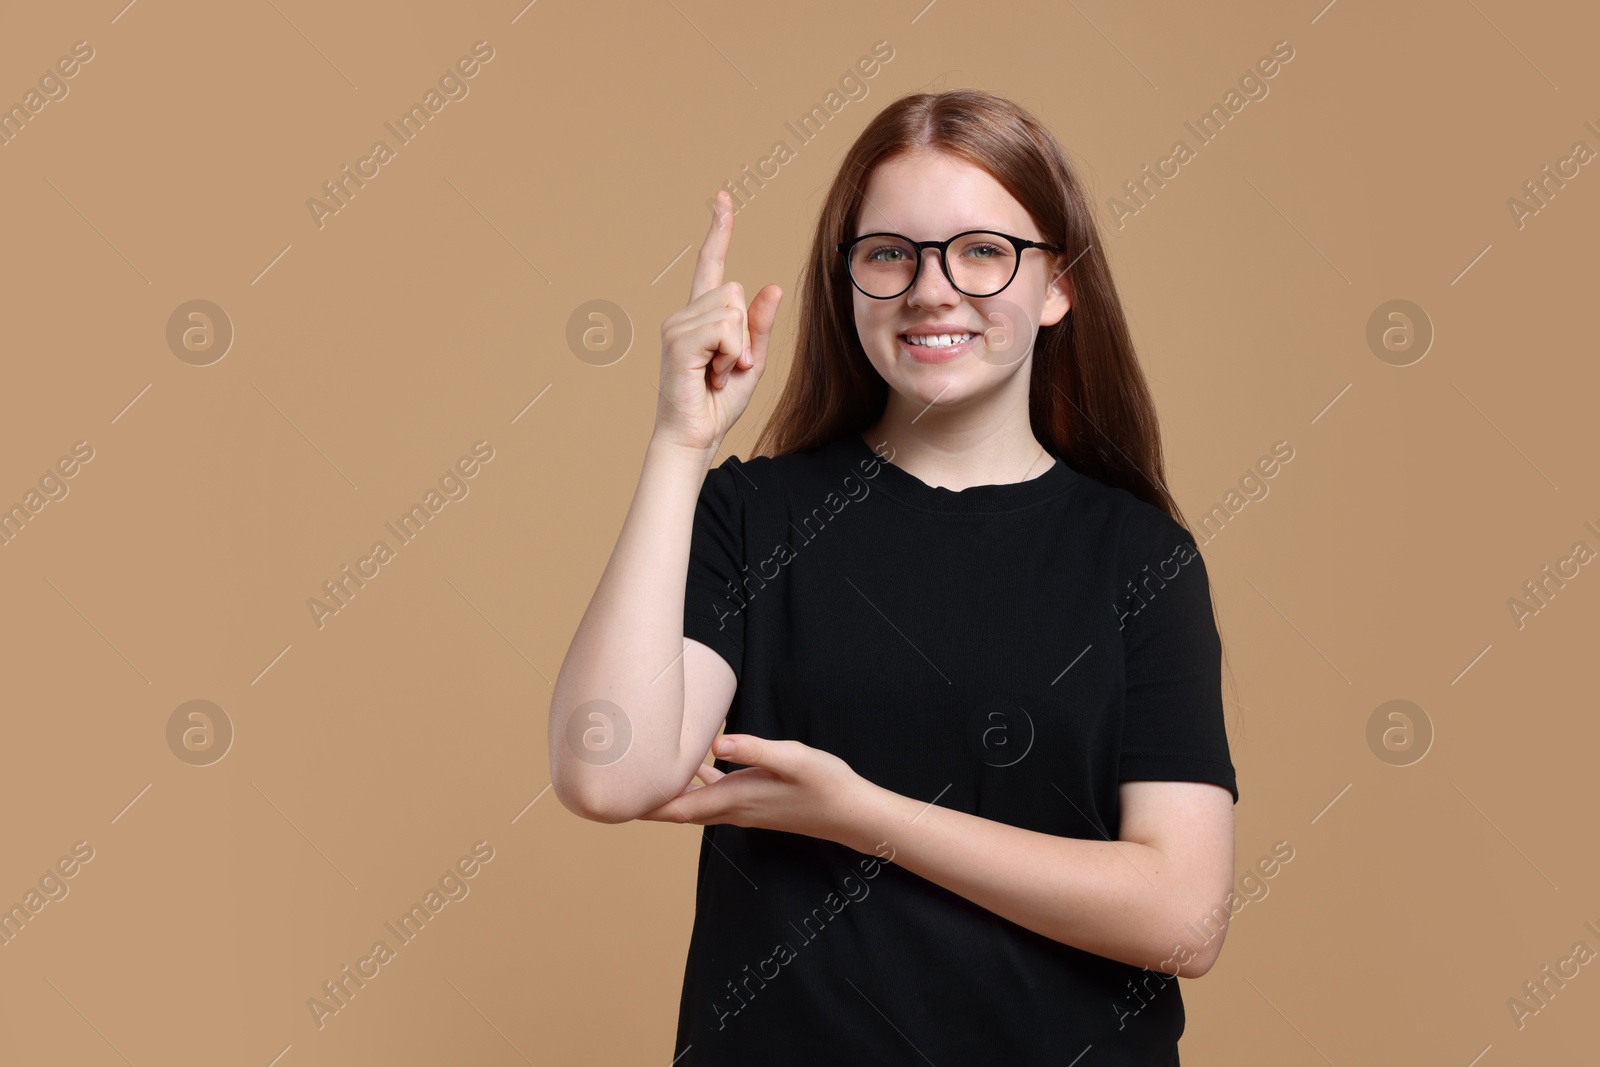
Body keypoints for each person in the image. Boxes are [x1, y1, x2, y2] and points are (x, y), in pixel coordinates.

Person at [549, 87, 1240, 1065]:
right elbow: (604, 770)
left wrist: (863, 816)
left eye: (982, 250)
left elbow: (1183, 917)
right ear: (849, 282)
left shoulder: (1137, 556)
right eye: (889, 253)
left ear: (1056, 287)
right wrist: (680, 439)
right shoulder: (752, 515)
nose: (931, 287)